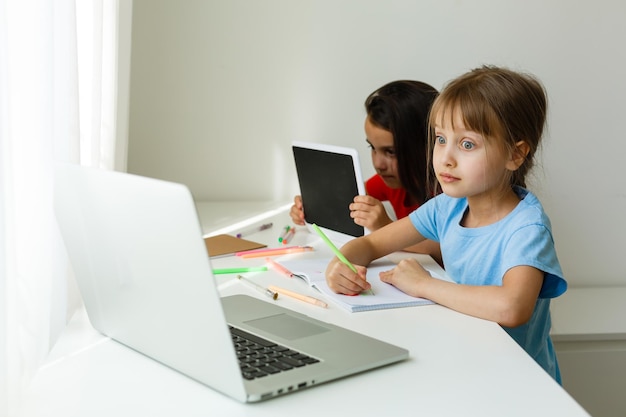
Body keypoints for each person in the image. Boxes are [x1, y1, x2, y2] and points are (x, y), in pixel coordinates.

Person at [324, 66, 567, 383]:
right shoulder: (448, 207)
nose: (445, 158)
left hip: (517, 381)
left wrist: (424, 285)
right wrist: (340, 265)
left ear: (515, 154)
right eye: (441, 139)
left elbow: (512, 308)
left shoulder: (526, 227)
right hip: (464, 362)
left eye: (467, 145)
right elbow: (371, 243)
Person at [290, 80, 441, 262]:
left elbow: (446, 248)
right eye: (372, 147)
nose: (378, 163)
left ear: (429, 144)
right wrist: (311, 205)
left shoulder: (450, 191)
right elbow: (345, 198)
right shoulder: (392, 180)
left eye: (391, 152)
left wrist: (386, 227)